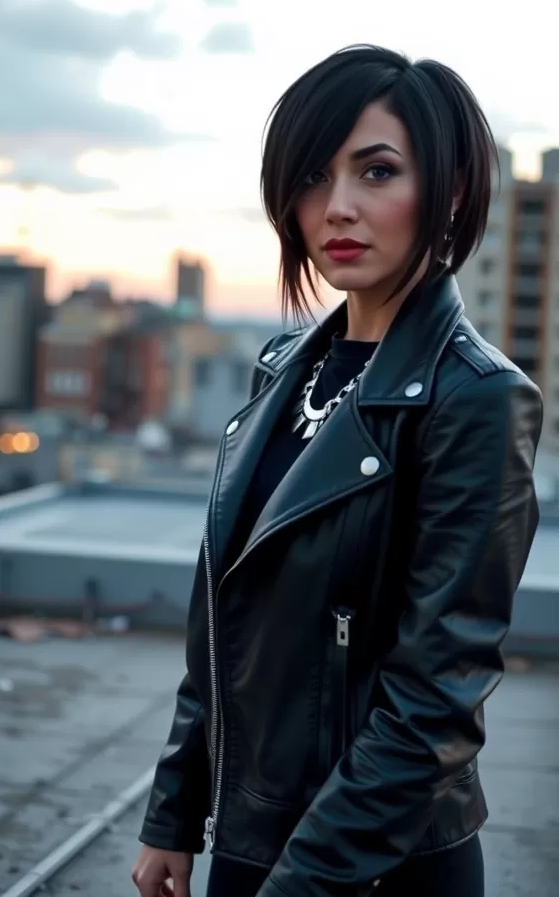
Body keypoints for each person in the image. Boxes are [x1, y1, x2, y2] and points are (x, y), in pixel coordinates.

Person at [132, 45, 542, 897]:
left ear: (452, 191)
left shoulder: (478, 400)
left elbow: (434, 701)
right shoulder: (283, 368)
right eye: (315, 177)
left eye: (378, 171)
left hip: (375, 862)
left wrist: (304, 881)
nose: (338, 208)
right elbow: (227, 621)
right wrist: (174, 813)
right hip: (249, 837)